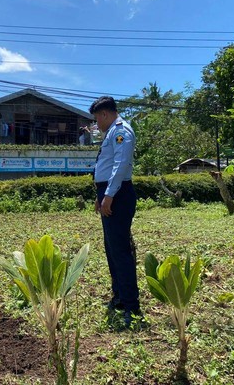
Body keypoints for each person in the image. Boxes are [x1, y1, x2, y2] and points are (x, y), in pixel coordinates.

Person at [89, 96, 142, 328]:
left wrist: (108, 196)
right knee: (111, 249)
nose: (96, 125)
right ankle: (119, 296)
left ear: (104, 114)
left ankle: (132, 305)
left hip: (118, 195)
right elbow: (107, 167)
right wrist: (100, 196)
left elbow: (121, 165)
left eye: (96, 119)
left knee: (120, 251)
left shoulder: (121, 131)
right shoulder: (110, 133)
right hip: (109, 193)